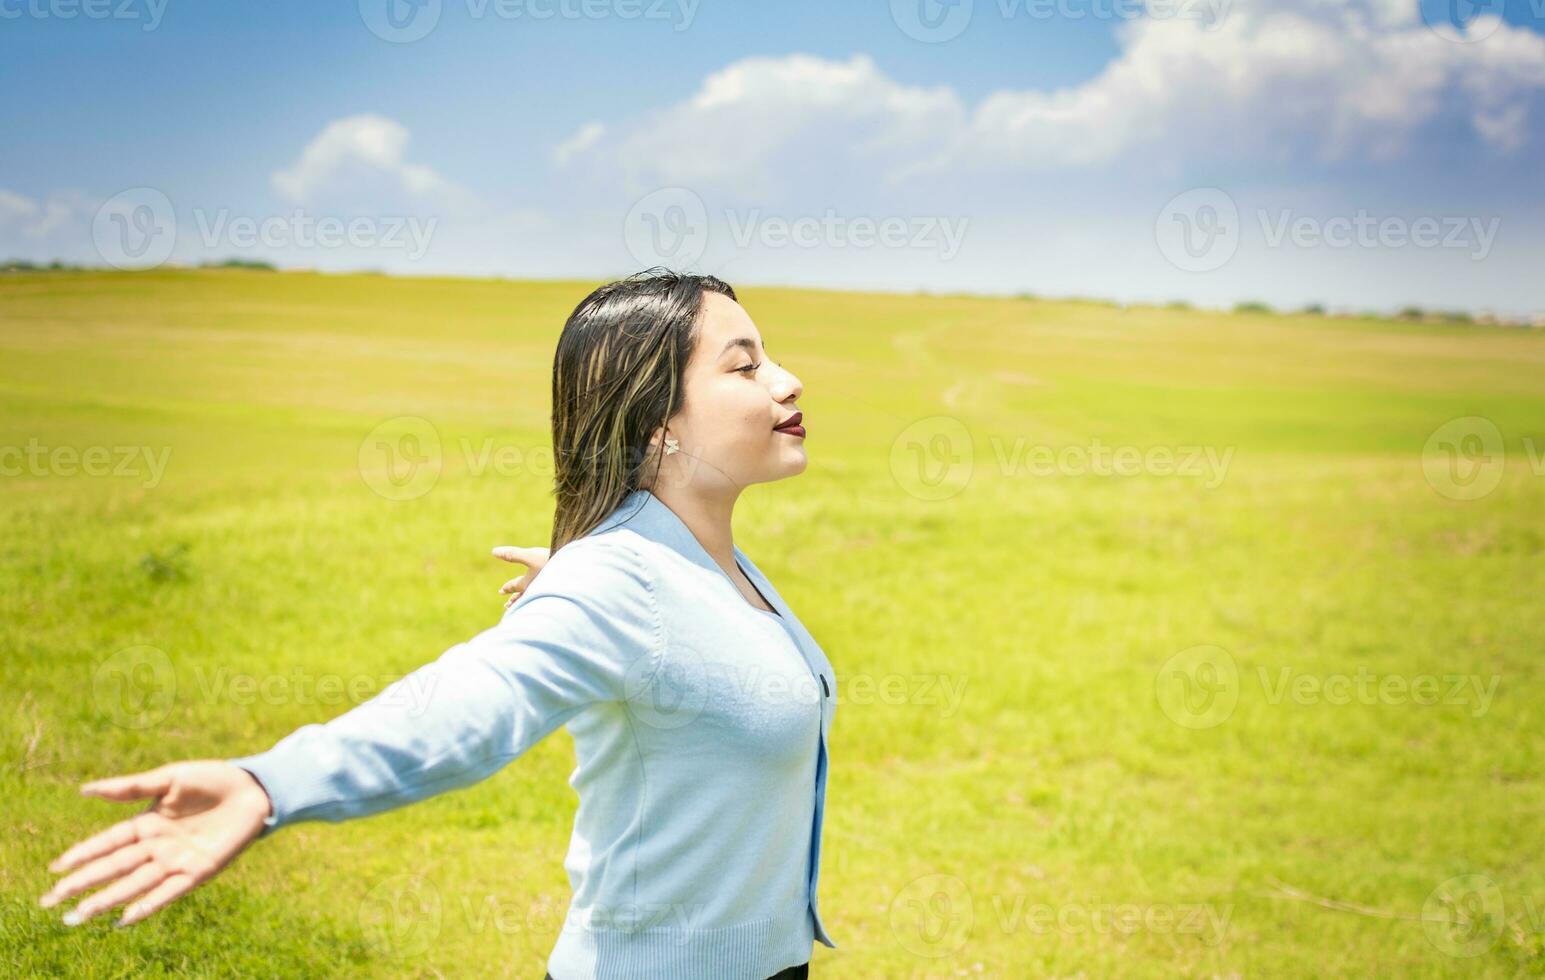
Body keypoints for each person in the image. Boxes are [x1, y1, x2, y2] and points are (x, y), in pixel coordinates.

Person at [39, 269, 838, 979]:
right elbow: (468, 702)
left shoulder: (695, 568)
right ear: (655, 420)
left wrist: (609, 591)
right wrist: (270, 782)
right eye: (744, 365)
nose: (788, 380)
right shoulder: (616, 582)